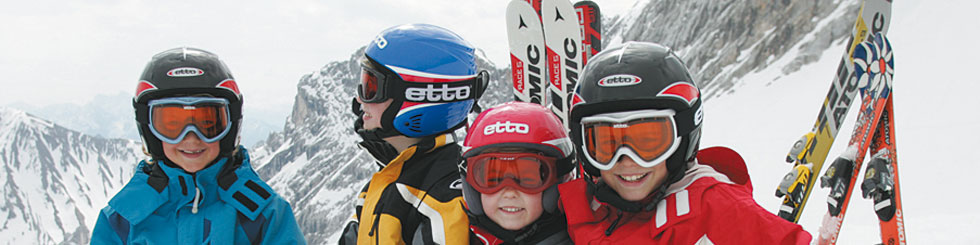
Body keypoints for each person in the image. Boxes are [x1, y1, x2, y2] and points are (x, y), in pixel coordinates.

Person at [558, 41, 812, 244]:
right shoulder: (588, 208)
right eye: (606, 144)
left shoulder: (714, 209)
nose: (626, 160)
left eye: (648, 141)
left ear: (683, 138)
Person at [91, 47, 305, 244]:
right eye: (172, 125)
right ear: (150, 131)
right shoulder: (124, 219)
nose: (191, 138)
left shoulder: (264, 214)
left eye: (208, 124)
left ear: (230, 127)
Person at [339, 23, 489, 244]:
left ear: (420, 95)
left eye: (371, 87)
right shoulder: (386, 181)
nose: (360, 99)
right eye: (363, 82)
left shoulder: (444, 199)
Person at [460, 102, 575, 244]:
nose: (509, 193)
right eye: (493, 179)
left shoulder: (584, 238)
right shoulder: (454, 236)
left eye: (527, 178)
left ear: (556, 184)